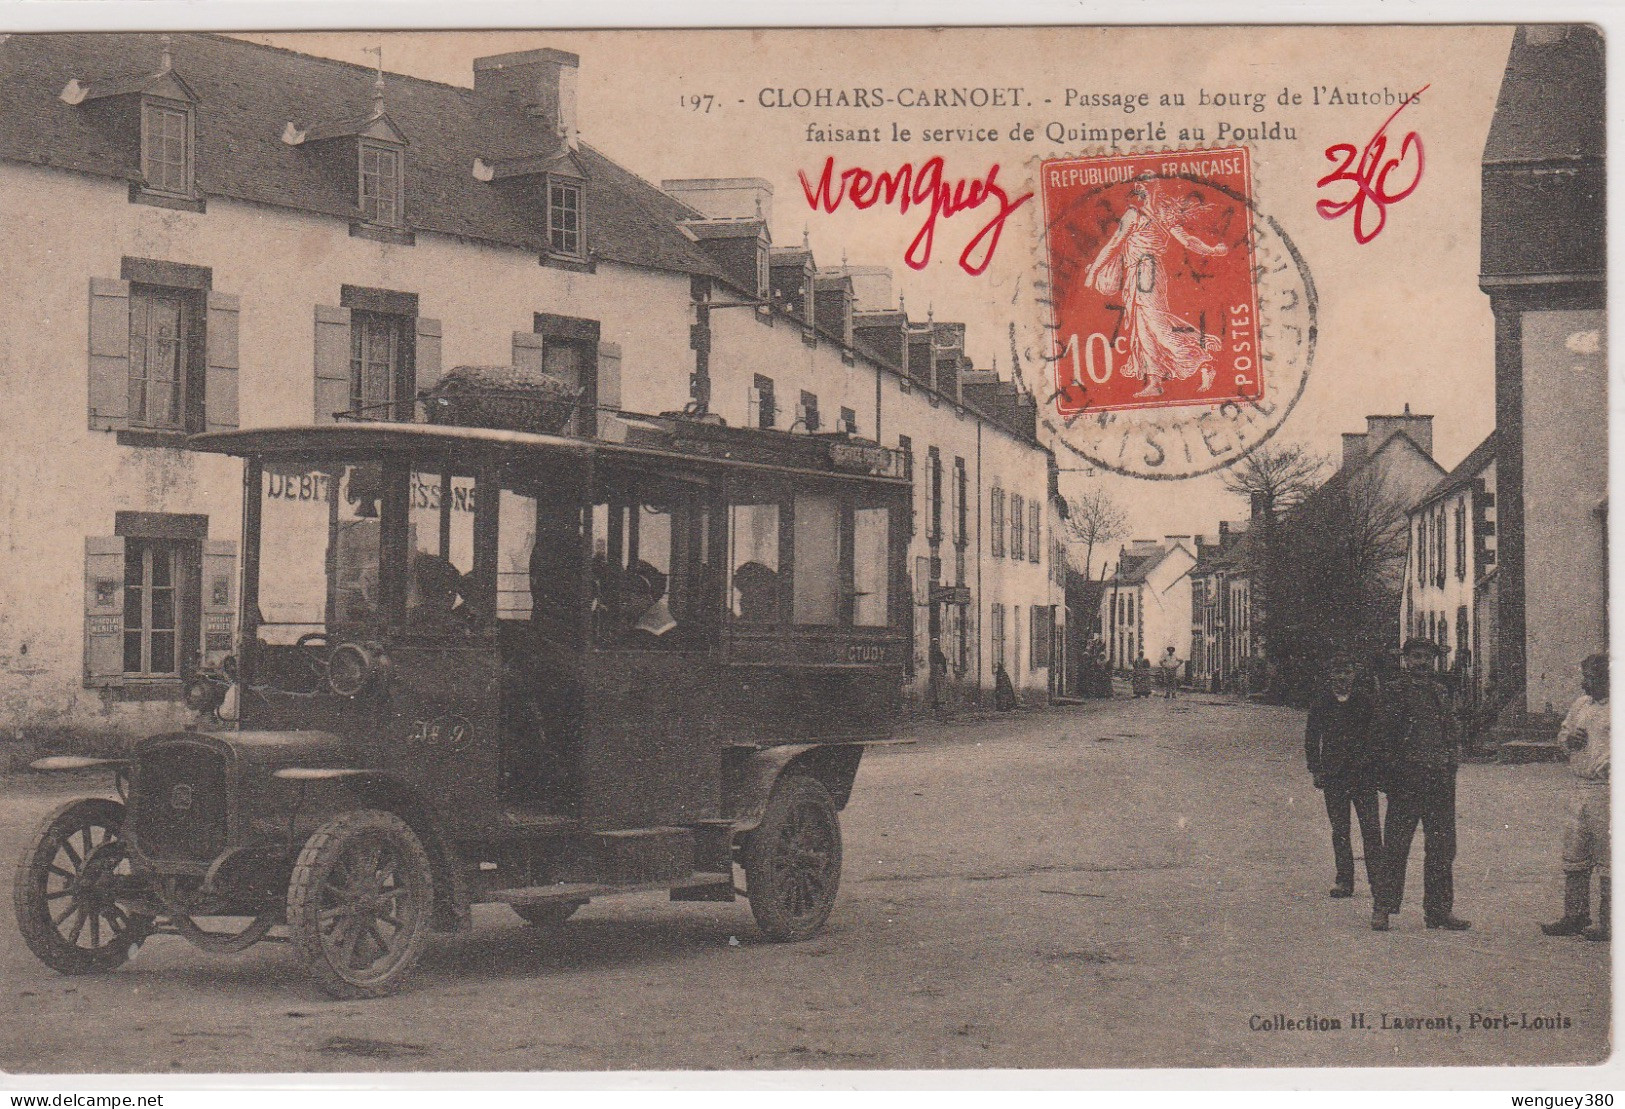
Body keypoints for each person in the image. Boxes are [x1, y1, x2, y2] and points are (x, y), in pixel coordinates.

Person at [1081, 177, 1230, 397]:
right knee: (1143, 328)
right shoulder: (1161, 216)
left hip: (1145, 274)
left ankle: (1201, 362)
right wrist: (1213, 250)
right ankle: (1154, 382)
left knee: (1157, 326)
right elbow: (1188, 241)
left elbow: (1114, 245)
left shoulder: (1140, 215)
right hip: (1144, 272)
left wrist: (1093, 271)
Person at [1371, 637, 1469, 932]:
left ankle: (1439, 911)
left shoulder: (1440, 691)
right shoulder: (1393, 692)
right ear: (1406, 660)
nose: (1422, 663)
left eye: (1427, 657)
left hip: (1439, 779)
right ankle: (1382, 908)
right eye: (1416, 657)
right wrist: (1388, 777)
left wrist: (1451, 759)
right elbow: (1382, 737)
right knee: (1396, 846)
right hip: (1407, 779)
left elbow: (1451, 730)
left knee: (1441, 847)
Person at [1540, 653, 1611, 941]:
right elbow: (1564, 733)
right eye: (1586, 676)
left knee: (1609, 854)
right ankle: (1575, 915)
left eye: (1592, 677)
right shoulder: (1581, 705)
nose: (1586, 683)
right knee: (1575, 850)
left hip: (1609, 790)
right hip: (1579, 786)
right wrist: (1569, 742)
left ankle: (1610, 922)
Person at [1306, 653, 1384, 901]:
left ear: (1355, 673)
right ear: (1330, 674)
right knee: (1340, 829)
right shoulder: (1321, 703)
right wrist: (1316, 769)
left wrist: (1375, 767)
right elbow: (1311, 739)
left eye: (1347, 671)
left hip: (1363, 777)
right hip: (1334, 776)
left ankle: (1378, 881)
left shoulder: (1366, 701)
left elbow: (1377, 737)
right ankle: (1344, 880)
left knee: (1371, 830)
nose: (1342, 677)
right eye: (1338, 671)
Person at [619, 560, 679, 649]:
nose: (623, 608)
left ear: (644, 596)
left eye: (627, 601)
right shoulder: (658, 610)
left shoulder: (648, 631)